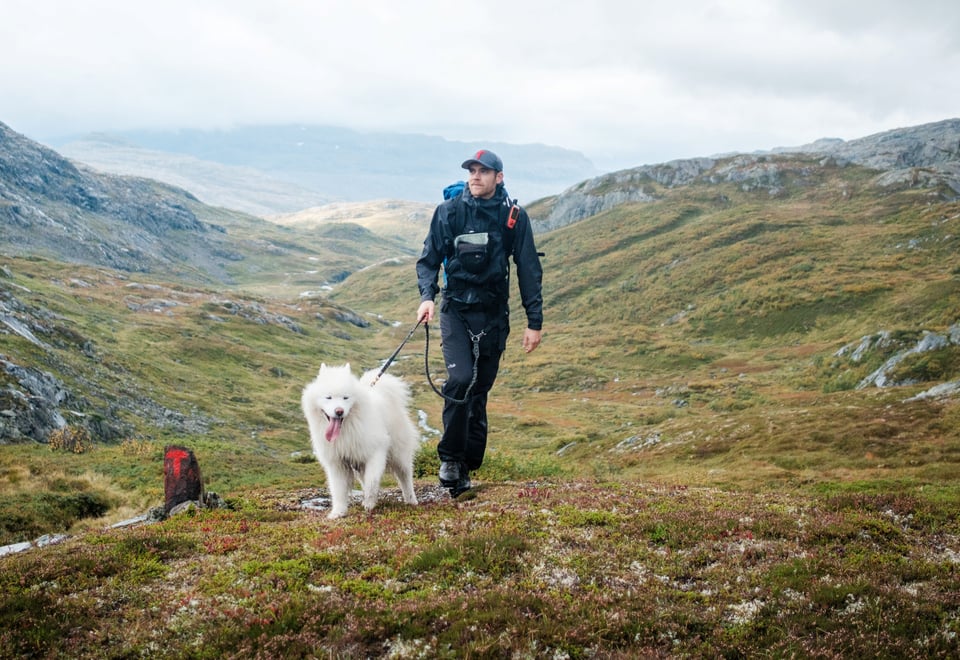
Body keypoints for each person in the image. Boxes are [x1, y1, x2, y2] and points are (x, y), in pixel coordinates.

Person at [416, 149, 543, 496]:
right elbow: (428, 260)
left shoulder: (513, 217)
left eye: (483, 171)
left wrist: (535, 322)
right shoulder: (449, 212)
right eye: (472, 170)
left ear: (499, 177)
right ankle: (450, 459)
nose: (475, 176)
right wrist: (427, 296)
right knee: (459, 382)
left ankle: (468, 466)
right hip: (455, 311)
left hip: (493, 316)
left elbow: (529, 268)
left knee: (479, 392)